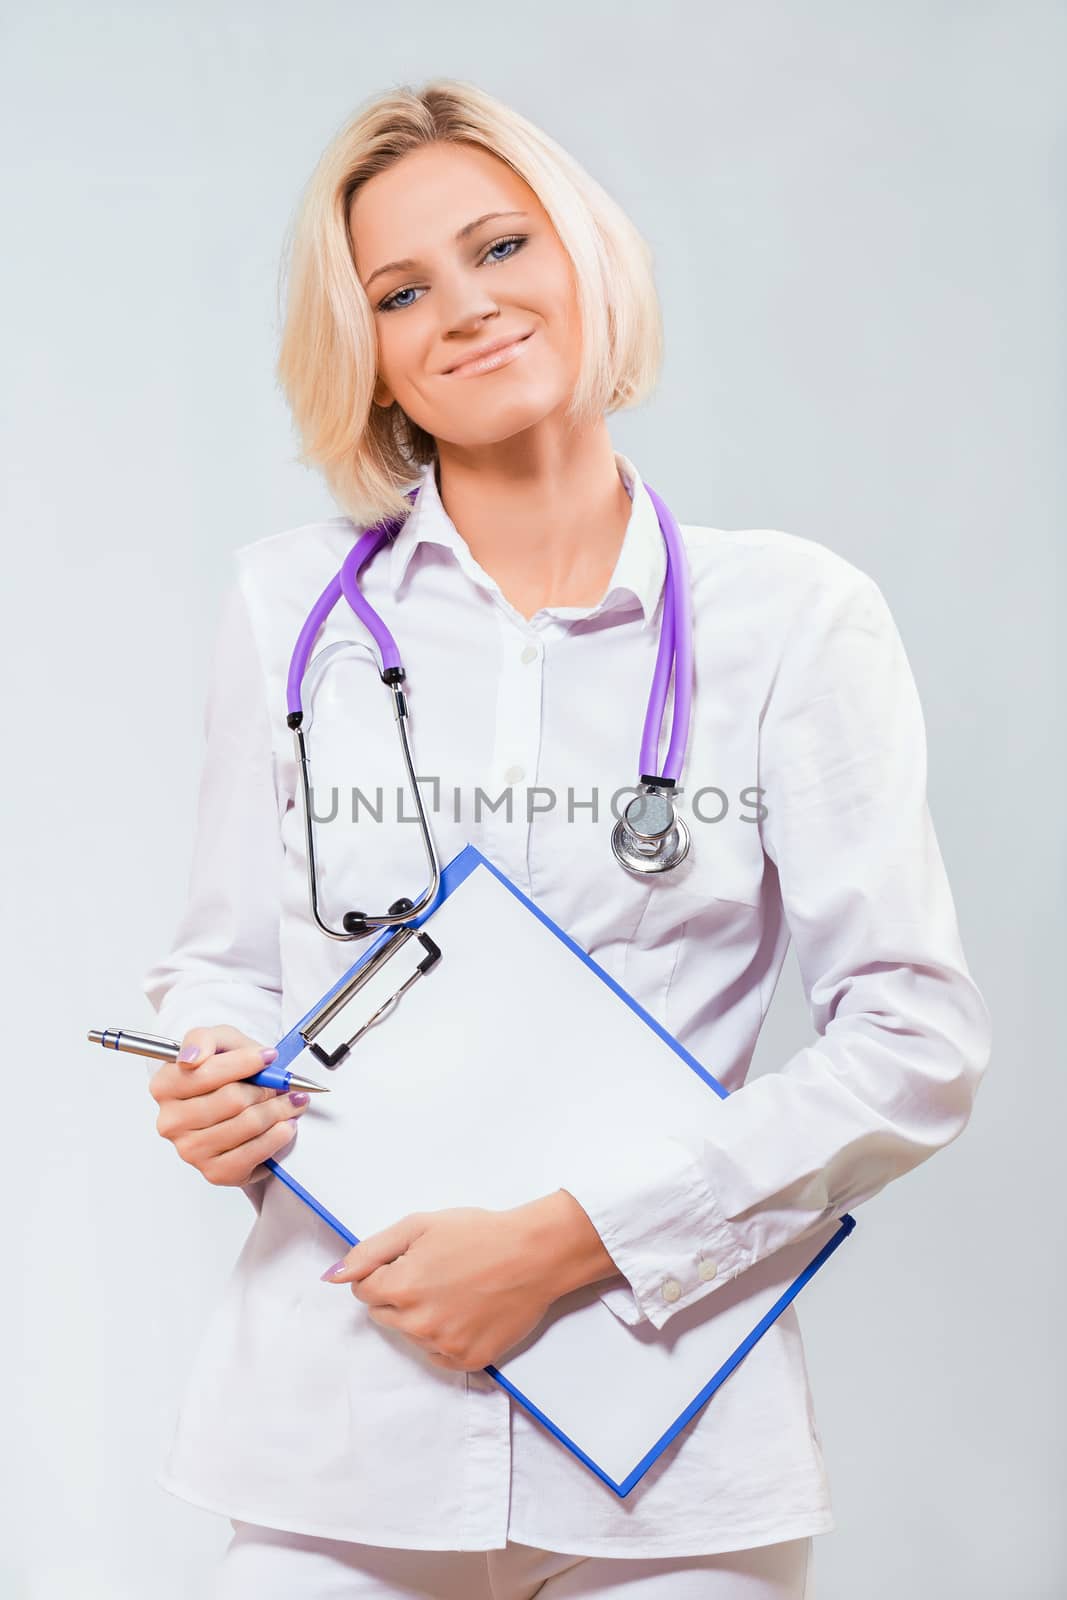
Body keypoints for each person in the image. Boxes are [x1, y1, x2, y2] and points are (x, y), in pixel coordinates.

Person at [141, 78, 993, 1599]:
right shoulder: (291, 614)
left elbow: (916, 1041)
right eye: (402, 290)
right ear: (374, 360)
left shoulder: (791, 620)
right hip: (338, 1430)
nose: (465, 307)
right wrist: (214, 1071)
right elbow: (225, 962)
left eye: (501, 246)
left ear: (585, 258)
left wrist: (572, 1239)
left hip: (669, 1455)